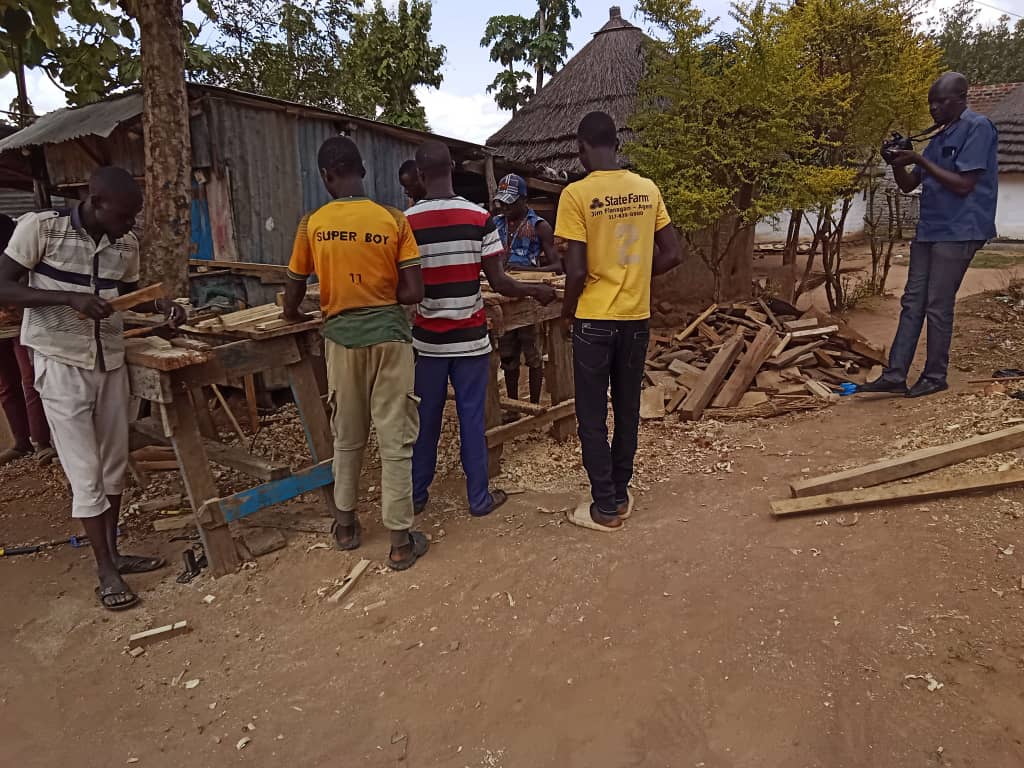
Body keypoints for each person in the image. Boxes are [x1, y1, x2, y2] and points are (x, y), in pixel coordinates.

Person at [0, 166, 185, 610]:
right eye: (123, 216)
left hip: (110, 361)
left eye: (133, 217)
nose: (129, 225)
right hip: (60, 361)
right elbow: (2, 286)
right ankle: (105, 570)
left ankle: (114, 552)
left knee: (113, 465)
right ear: (95, 202)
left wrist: (162, 307)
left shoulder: (126, 244)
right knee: (85, 472)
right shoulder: (41, 229)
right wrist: (68, 298)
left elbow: (131, 292)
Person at [283, 136, 429, 571]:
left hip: (341, 340)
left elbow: (293, 289)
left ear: (326, 176)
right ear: (363, 171)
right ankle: (400, 542)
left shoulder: (312, 224)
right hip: (391, 338)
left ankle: (345, 526)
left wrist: (293, 313)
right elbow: (414, 291)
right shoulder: (394, 220)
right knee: (395, 437)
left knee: (347, 435)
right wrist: (380, 295)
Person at [406, 141, 557, 517]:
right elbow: (500, 282)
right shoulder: (479, 218)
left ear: (420, 176)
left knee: (426, 419)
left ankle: (417, 495)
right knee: (472, 418)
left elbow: (405, 285)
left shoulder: (405, 223)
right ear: (452, 169)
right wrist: (535, 290)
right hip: (470, 340)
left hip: (428, 343)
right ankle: (478, 498)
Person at [556, 111, 682, 532]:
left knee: (592, 415)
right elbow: (673, 253)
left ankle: (604, 507)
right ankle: (620, 494)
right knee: (627, 408)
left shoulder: (576, 195)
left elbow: (575, 270)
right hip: (635, 318)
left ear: (581, 147)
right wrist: (636, 275)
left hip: (593, 319)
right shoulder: (647, 189)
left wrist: (566, 312)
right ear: (618, 144)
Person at [861, 71, 998, 399]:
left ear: (962, 98)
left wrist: (918, 157)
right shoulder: (938, 137)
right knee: (912, 301)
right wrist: (896, 161)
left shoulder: (978, 128)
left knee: (937, 303)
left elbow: (964, 184)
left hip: (961, 229)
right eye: (931, 103)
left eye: (941, 102)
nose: (934, 108)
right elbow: (909, 184)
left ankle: (935, 376)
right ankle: (895, 374)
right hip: (931, 229)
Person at [492, 173, 562, 409]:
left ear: (523, 199)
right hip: (503, 295)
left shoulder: (539, 226)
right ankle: (513, 406)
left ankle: (534, 406)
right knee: (507, 355)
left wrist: (525, 269)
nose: (505, 208)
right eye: (503, 203)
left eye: (510, 203)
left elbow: (557, 266)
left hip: (530, 297)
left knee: (532, 353)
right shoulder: (496, 224)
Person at [0, 213, 54, 465]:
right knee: (6, 385)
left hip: (20, 318)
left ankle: (42, 441)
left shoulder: (8, 227)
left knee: (30, 379)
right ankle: (21, 442)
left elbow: (21, 271)